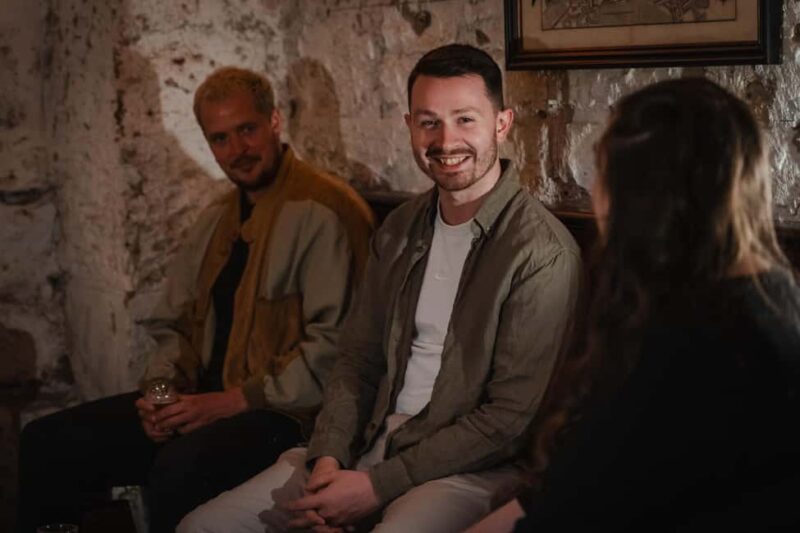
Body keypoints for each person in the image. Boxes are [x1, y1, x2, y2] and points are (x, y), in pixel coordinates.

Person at [178, 44, 581, 533]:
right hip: (367, 443)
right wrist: (328, 458)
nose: (446, 140)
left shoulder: (541, 252)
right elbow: (357, 359)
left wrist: (375, 486)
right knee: (202, 526)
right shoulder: (400, 228)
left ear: (502, 124)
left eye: (465, 120)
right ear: (410, 126)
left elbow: (508, 420)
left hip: (467, 471)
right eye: (429, 122)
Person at [16, 67, 374, 533]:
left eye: (247, 130)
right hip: (206, 401)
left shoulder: (326, 211)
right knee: (47, 441)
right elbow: (176, 325)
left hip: (288, 415)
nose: (237, 150)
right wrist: (161, 396)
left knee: (180, 469)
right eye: (220, 138)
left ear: (274, 122)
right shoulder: (216, 218)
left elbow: (334, 355)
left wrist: (230, 402)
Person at [468, 78, 800, 532]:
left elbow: (576, 505)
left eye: (600, 172)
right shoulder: (770, 294)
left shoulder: (697, 346)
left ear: (643, 199)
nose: (594, 191)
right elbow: (572, 482)